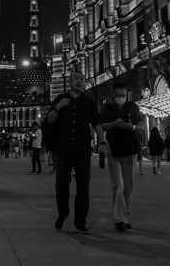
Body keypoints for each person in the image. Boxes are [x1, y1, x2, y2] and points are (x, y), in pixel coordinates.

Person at [47, 70, 105, 233]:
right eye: (75, 79)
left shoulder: (89, 102)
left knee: (83, 186)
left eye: (81, 79)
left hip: (82, 149)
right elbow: (50, 120)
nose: (79, 81)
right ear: (69, 82)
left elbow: (97, 124)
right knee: (62, 183)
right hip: (63, 149)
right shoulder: (60, 99)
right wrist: (58, 108)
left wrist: (102, 142)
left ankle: (80, 220)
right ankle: (62, 213)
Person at [99, 82, 144, 232]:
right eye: (117, 96)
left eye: (123, 95)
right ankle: (120, 219)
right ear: (112, 95)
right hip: (114, 149)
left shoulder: (133, 107)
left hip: (131, 150)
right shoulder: (106, 108)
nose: (120, 98)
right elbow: (101, 126)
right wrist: (115, 124)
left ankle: (125, 214)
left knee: (128, 185)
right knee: (118, 184)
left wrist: (131, 127)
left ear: (127, 94)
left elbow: (141, 126)